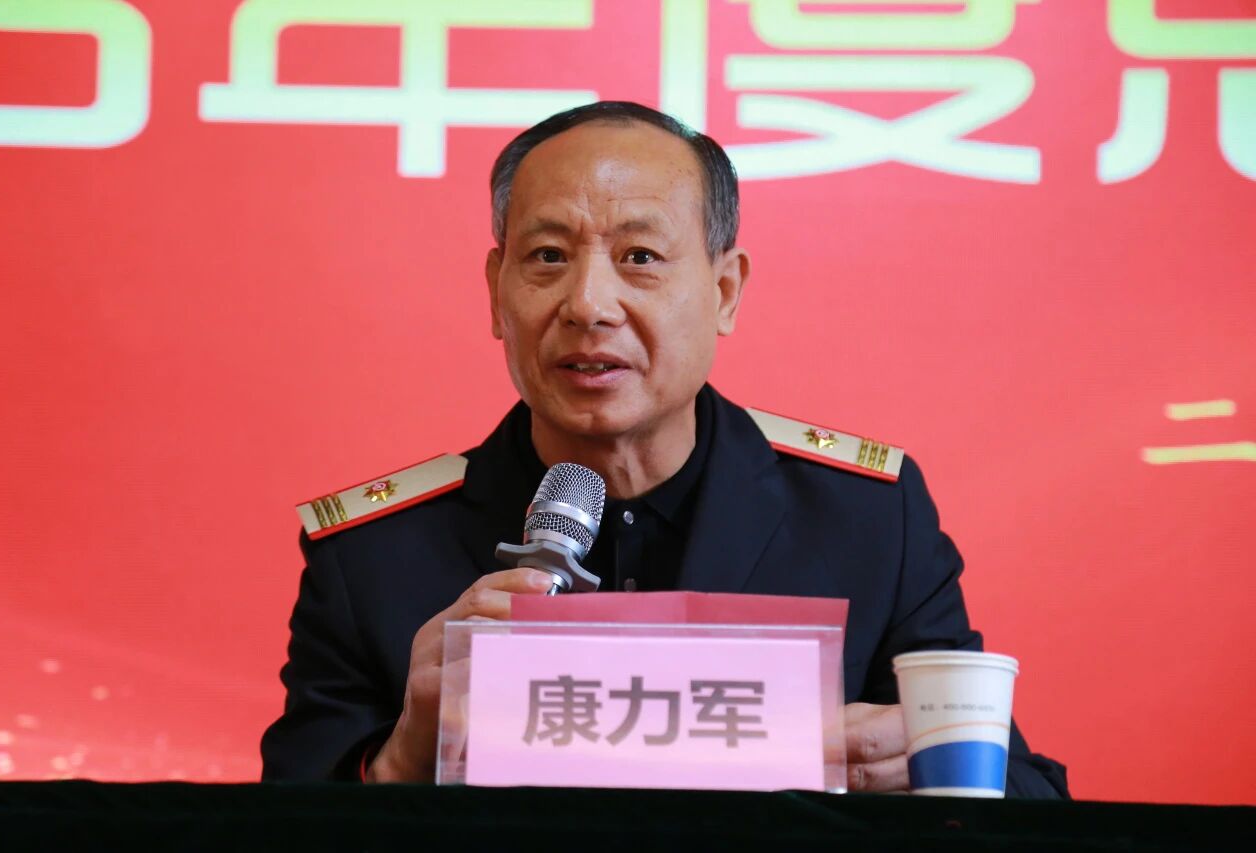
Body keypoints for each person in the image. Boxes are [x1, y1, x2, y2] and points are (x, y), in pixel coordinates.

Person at [261, 101, 1068, 797]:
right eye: (548, 257)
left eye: (639, 257)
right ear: (497, 292)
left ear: (724, 291)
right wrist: (404, 757)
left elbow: (1032, 798)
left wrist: (922, 769)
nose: (588, 304)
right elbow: (276, 830)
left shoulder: (866, 522)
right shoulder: (373, 557)